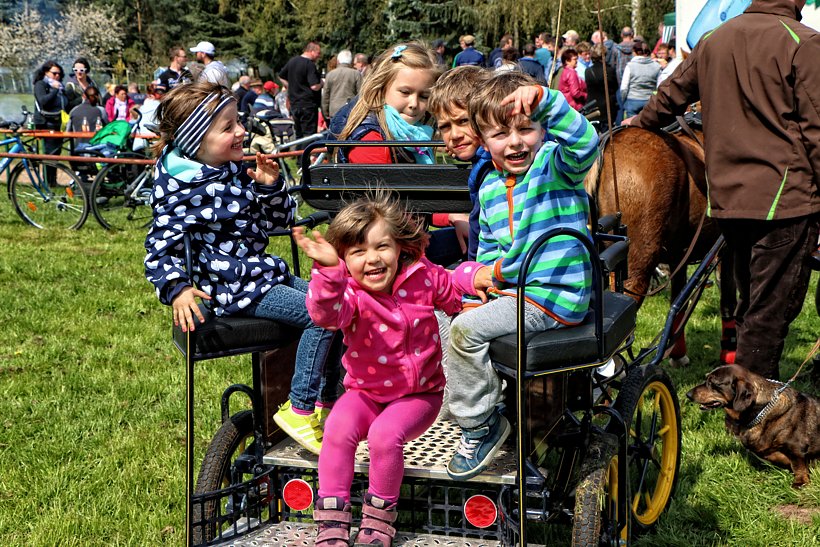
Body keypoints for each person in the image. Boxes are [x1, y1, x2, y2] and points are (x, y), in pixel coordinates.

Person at [624, 0, 820, 381]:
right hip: (785, 202)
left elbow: (669, 96)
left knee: (754, 306)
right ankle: (754, 414)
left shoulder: (715, 39)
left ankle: (749, 395)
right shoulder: (804, 42)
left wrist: (640, 121)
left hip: (730, 202)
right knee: (769, 312)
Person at [144, 82, 341, 454]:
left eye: (238, 122)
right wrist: (178, 290)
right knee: (324, 312)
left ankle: (329, 403)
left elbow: (278, 221)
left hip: (261, 275)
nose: (241, 132)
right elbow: (158, 248)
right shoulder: (184, 190)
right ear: (196, 140)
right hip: (234, 288)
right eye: (228, 127)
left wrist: (270, 187)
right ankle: (302, 407)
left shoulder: (230, 172)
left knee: (342, 300)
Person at [293, 193, 491, 546]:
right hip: (365, 392)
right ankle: (332, 524)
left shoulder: (422, 276)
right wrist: (328, 273)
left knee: (385, 435)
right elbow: (324, 314)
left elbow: (451, 284)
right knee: (337, 428)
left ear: (400, 247)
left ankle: (377, 522)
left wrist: (476, 275)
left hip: (419, 395)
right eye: (357, 252)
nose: (372, 259)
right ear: (344, 261)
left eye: (381, 246)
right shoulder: (350, 294)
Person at [445, 72, 599, 480]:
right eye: (500, 134)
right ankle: (468, 406)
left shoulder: (556, 166)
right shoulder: (490, 188)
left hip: (553, 296)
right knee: (447, 321)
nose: (515, 142)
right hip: (513, 295)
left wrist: (548, 101)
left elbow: (585, 142)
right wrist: (479, 281)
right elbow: (490, 249)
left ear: (542, 129)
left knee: (465, 331)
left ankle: (480, 426)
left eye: (526, 129)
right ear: (482, 139)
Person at [335, 42, 441, 164]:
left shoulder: (416, 133)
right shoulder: (371, 143)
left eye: (424, 96)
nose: (414, 104)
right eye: (405, 92)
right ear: (382, 88)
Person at [428, 65, 494, 261]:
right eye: (445, 127)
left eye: (463, 121)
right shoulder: (487, 159)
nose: (455, 135)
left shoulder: (495, 166)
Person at [32, 61, 67, 184]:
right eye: (54, 73)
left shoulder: (60, 86)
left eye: (59, 73)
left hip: (59, 123)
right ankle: (48, 182)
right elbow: (43, 101)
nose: (57, 76)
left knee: (56, 153)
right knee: (50, 153)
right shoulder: (41, 84)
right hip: (47, 123)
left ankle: (53, 180)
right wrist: (54, 91)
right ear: (46, 72)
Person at [279, 41, 323, 139]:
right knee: (309, 135)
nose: (319, 56)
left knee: (299, 134)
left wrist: (290, 86)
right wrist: (322, 83)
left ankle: (299, 154)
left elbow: (281, 76)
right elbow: (314, 86)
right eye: (318, 53)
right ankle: (308, 154)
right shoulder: (309, 64)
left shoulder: (292, 61)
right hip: (308, 105)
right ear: (312, 51)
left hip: (294, 104)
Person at [619, 39, 659, 118]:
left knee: (632, 128)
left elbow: (624, 88)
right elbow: (660, 85)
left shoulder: (630, 66)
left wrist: (623, 100)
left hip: (632, 100)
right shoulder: (657, 66)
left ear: (634, 52)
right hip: (649, 100)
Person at [321, 49, 362, 121]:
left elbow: (326, 96)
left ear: (338, 61)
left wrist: (325, 113)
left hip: (334, 111)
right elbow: (361, 93)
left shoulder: (330, 74)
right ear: (351, 61)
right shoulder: (356, 74)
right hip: (351, 110)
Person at [584, 44, 618, 125]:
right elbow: (615, 87)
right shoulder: (610, 70)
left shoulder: (588, 71)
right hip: (607, 107)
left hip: (593, 106)